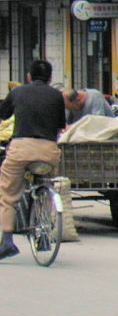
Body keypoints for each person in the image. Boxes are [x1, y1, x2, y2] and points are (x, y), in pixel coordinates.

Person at [0, 60, 66, 259]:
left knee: (8, 194)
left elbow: (4, 114)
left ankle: (7, 241)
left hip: (21, 149)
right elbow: (60, 125)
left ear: (29, 76)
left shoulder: (18, 92)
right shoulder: (57, 96)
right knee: (46, 183)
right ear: (51, 78)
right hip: (48, 151)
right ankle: (44, 233)